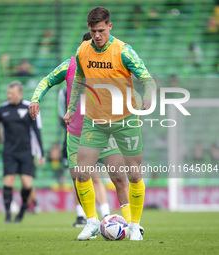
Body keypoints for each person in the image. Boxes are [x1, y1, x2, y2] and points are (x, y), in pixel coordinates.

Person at [29, 32, 141, 232]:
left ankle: (132, 224)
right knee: (79, 177)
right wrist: (36, 98)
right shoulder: (70, 65)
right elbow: (46, 80)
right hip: (77, 133)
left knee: (118, 177)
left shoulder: (109, 64)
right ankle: (91, 222)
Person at [63, 7, 156, 241]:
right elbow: (80, 80)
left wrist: (147, 96)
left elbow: (147, 78)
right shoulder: (83, 50)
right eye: (93, 31)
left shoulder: (124, 51)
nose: (97, 36)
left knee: (133, 175)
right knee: (81, 173)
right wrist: (72, 107)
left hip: (125, 120)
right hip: (95, 121)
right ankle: (92, 222)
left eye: (101, 30)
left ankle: (134, 225)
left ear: (110, 27)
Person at [0, 81, 45, 223]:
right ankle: (7, 214)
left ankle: (22, 210)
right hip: (9, 153)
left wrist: (41, 153)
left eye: (12, 93)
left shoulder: (30, 108)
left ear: (20, 94)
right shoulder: (2, 110)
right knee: (8, 182)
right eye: (8, 93)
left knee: (27, 184)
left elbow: (37, 131)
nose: (9, 95)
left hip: (26, 153)